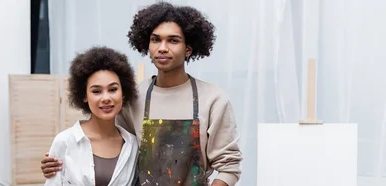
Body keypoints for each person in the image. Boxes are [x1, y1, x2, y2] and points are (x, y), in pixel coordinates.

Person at [41, 2, 242, 186]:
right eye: (156, 40)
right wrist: (61, 162)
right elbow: (112, 149)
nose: (162, 48)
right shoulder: (133, 98)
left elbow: (229, 167)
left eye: (173, 40)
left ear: (188, 49)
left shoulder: (213, 99)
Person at [43, 46, 139, 186]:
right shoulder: (64, 142)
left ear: (123, 93)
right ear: (84, 96)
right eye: (96, 91)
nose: (106, 98)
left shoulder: (133, 146)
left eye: (113, 89)